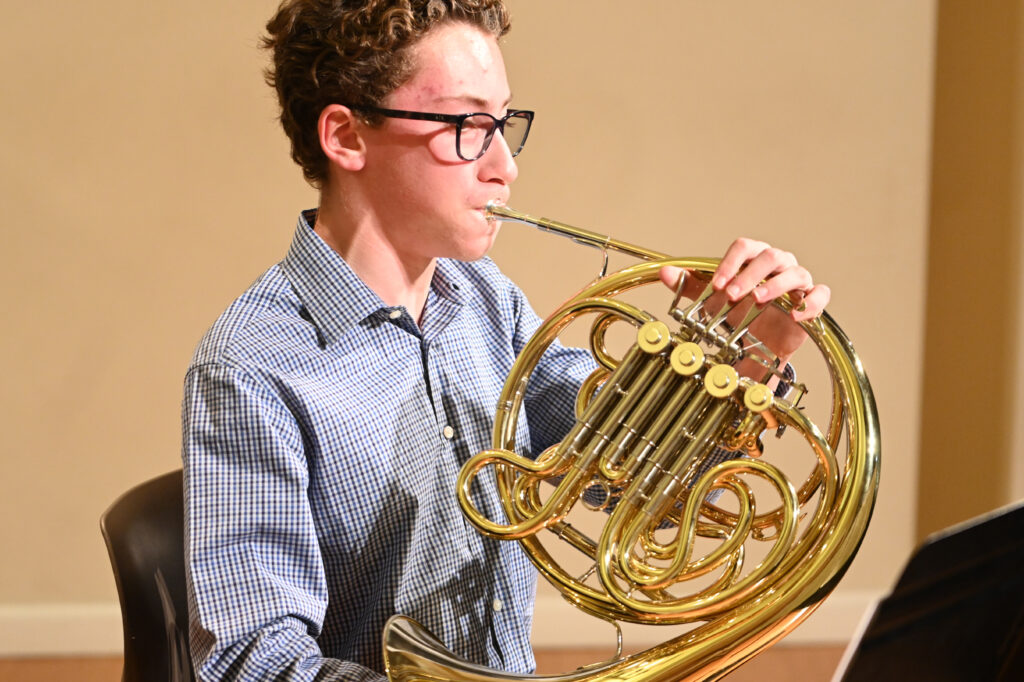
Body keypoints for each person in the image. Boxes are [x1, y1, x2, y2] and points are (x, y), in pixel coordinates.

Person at [181, 1, 830, 680]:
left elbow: (630, 480)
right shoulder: (251, 367)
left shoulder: (487, 299)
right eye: (466, 126)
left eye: (503, 124)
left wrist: (745, 363)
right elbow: (250, 662)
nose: (503, 168)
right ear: (347, 137)